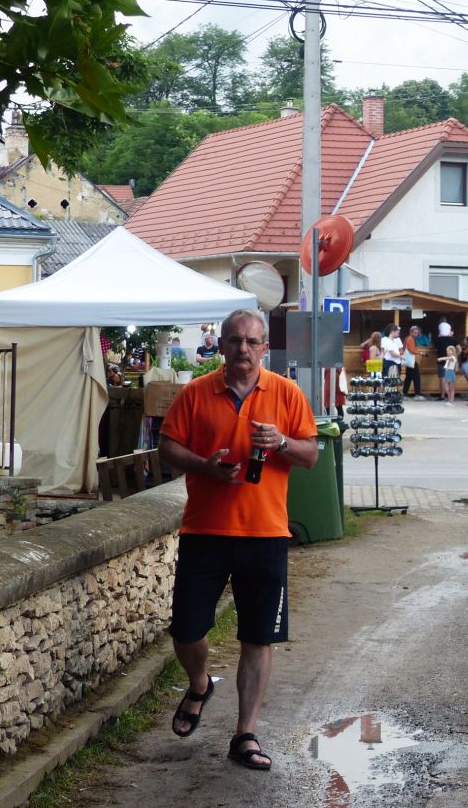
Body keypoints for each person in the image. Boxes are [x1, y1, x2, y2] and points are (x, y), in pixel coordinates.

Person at [158, 308, 319, 772]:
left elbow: (310, 454)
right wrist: (207, 466)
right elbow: (168, 447)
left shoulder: (286, 393)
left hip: (265, 533)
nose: (243, 349)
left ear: (264, 347)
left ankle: (244, 734)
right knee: (186, 630)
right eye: (234, 341)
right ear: (221, 346)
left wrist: (283, 443)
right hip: (205, 530)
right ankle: (200, 683)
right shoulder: (195, 393)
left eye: (252, 342)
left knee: (257, 637)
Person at [403, 325, 424, 399]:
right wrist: (420, 353)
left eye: (417, 333)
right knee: (416, 377)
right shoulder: (411, 339)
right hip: (412, 360)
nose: (416, 334)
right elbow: (412, 350)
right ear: (410, 332)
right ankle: (417, 394)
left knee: (408, 377)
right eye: (415, 333)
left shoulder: (407, 338)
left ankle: (404, 393)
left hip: (408, 361)